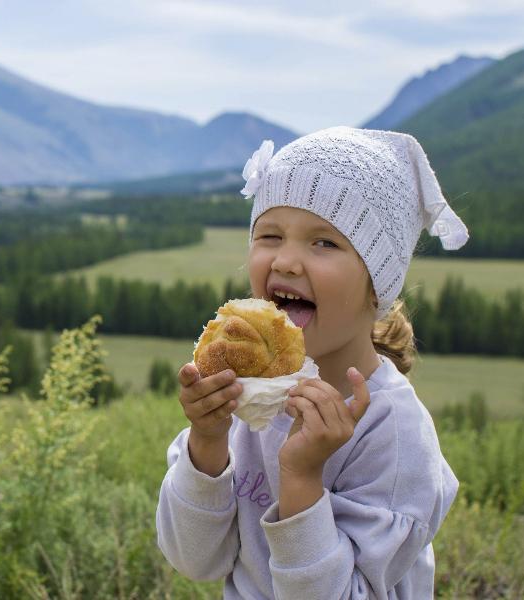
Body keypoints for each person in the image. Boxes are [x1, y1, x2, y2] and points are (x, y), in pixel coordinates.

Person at [155, 126, 468, 598]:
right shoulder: (248, 396)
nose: (286, 261)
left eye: (324, 243)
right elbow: (196, 560)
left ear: (378, 283)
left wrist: (302, 478)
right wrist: (208, 440)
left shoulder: (394, 432)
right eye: (270, 235)